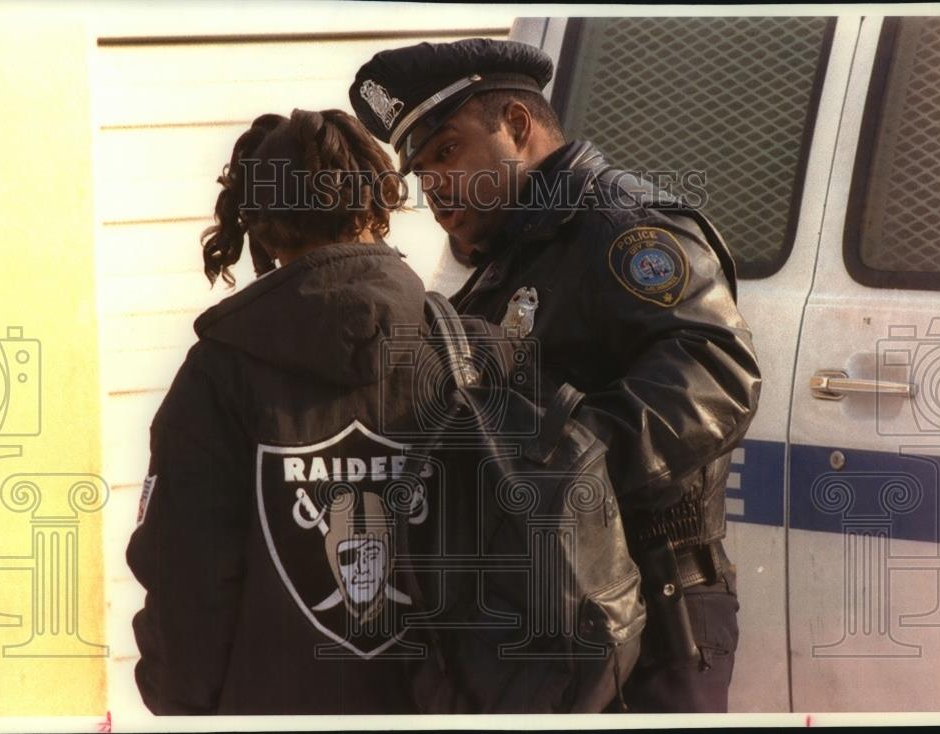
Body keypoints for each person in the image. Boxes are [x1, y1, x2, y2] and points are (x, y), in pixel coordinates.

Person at [349, 38, 762, 713]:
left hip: (651, 617)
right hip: (556, 615)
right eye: (422, 173)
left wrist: (557, 480)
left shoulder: (620, 226)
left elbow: (715, 371)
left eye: (448, 152)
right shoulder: (505, 261)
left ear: (516, 123)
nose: (436, 192)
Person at [125, 108, 434, 714]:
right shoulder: (466, 350)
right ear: (377, 207)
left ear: (262, 232)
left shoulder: (216, 377)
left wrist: (179, 709)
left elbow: (186, 583)